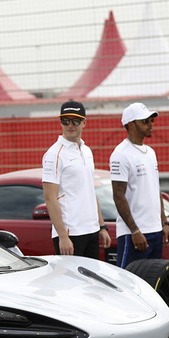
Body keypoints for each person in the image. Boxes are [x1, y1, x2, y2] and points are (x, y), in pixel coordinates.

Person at [42, 101, 111, 258]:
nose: (70, 125)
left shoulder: (87, 151)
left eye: (76, 120)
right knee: (71, 282)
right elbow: (49, 198)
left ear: (84, 123)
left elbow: (90, 190)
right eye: (65, 120)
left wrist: (101, 226)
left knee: (92, 281)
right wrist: (63, 236)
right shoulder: (54, 154)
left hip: (92, 230)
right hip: (70, 234)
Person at [110, 102, 169, 268]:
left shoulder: (150, 152)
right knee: (128, 284)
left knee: (152, 283)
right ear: (131, 124)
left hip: (155, 231)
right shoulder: (121, 154)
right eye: (145, 121)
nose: (151, 124)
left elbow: (155, 189)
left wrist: (164, 222)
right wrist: (135, 231)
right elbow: (118, 195)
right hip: (134, 235)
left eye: (151, 120)